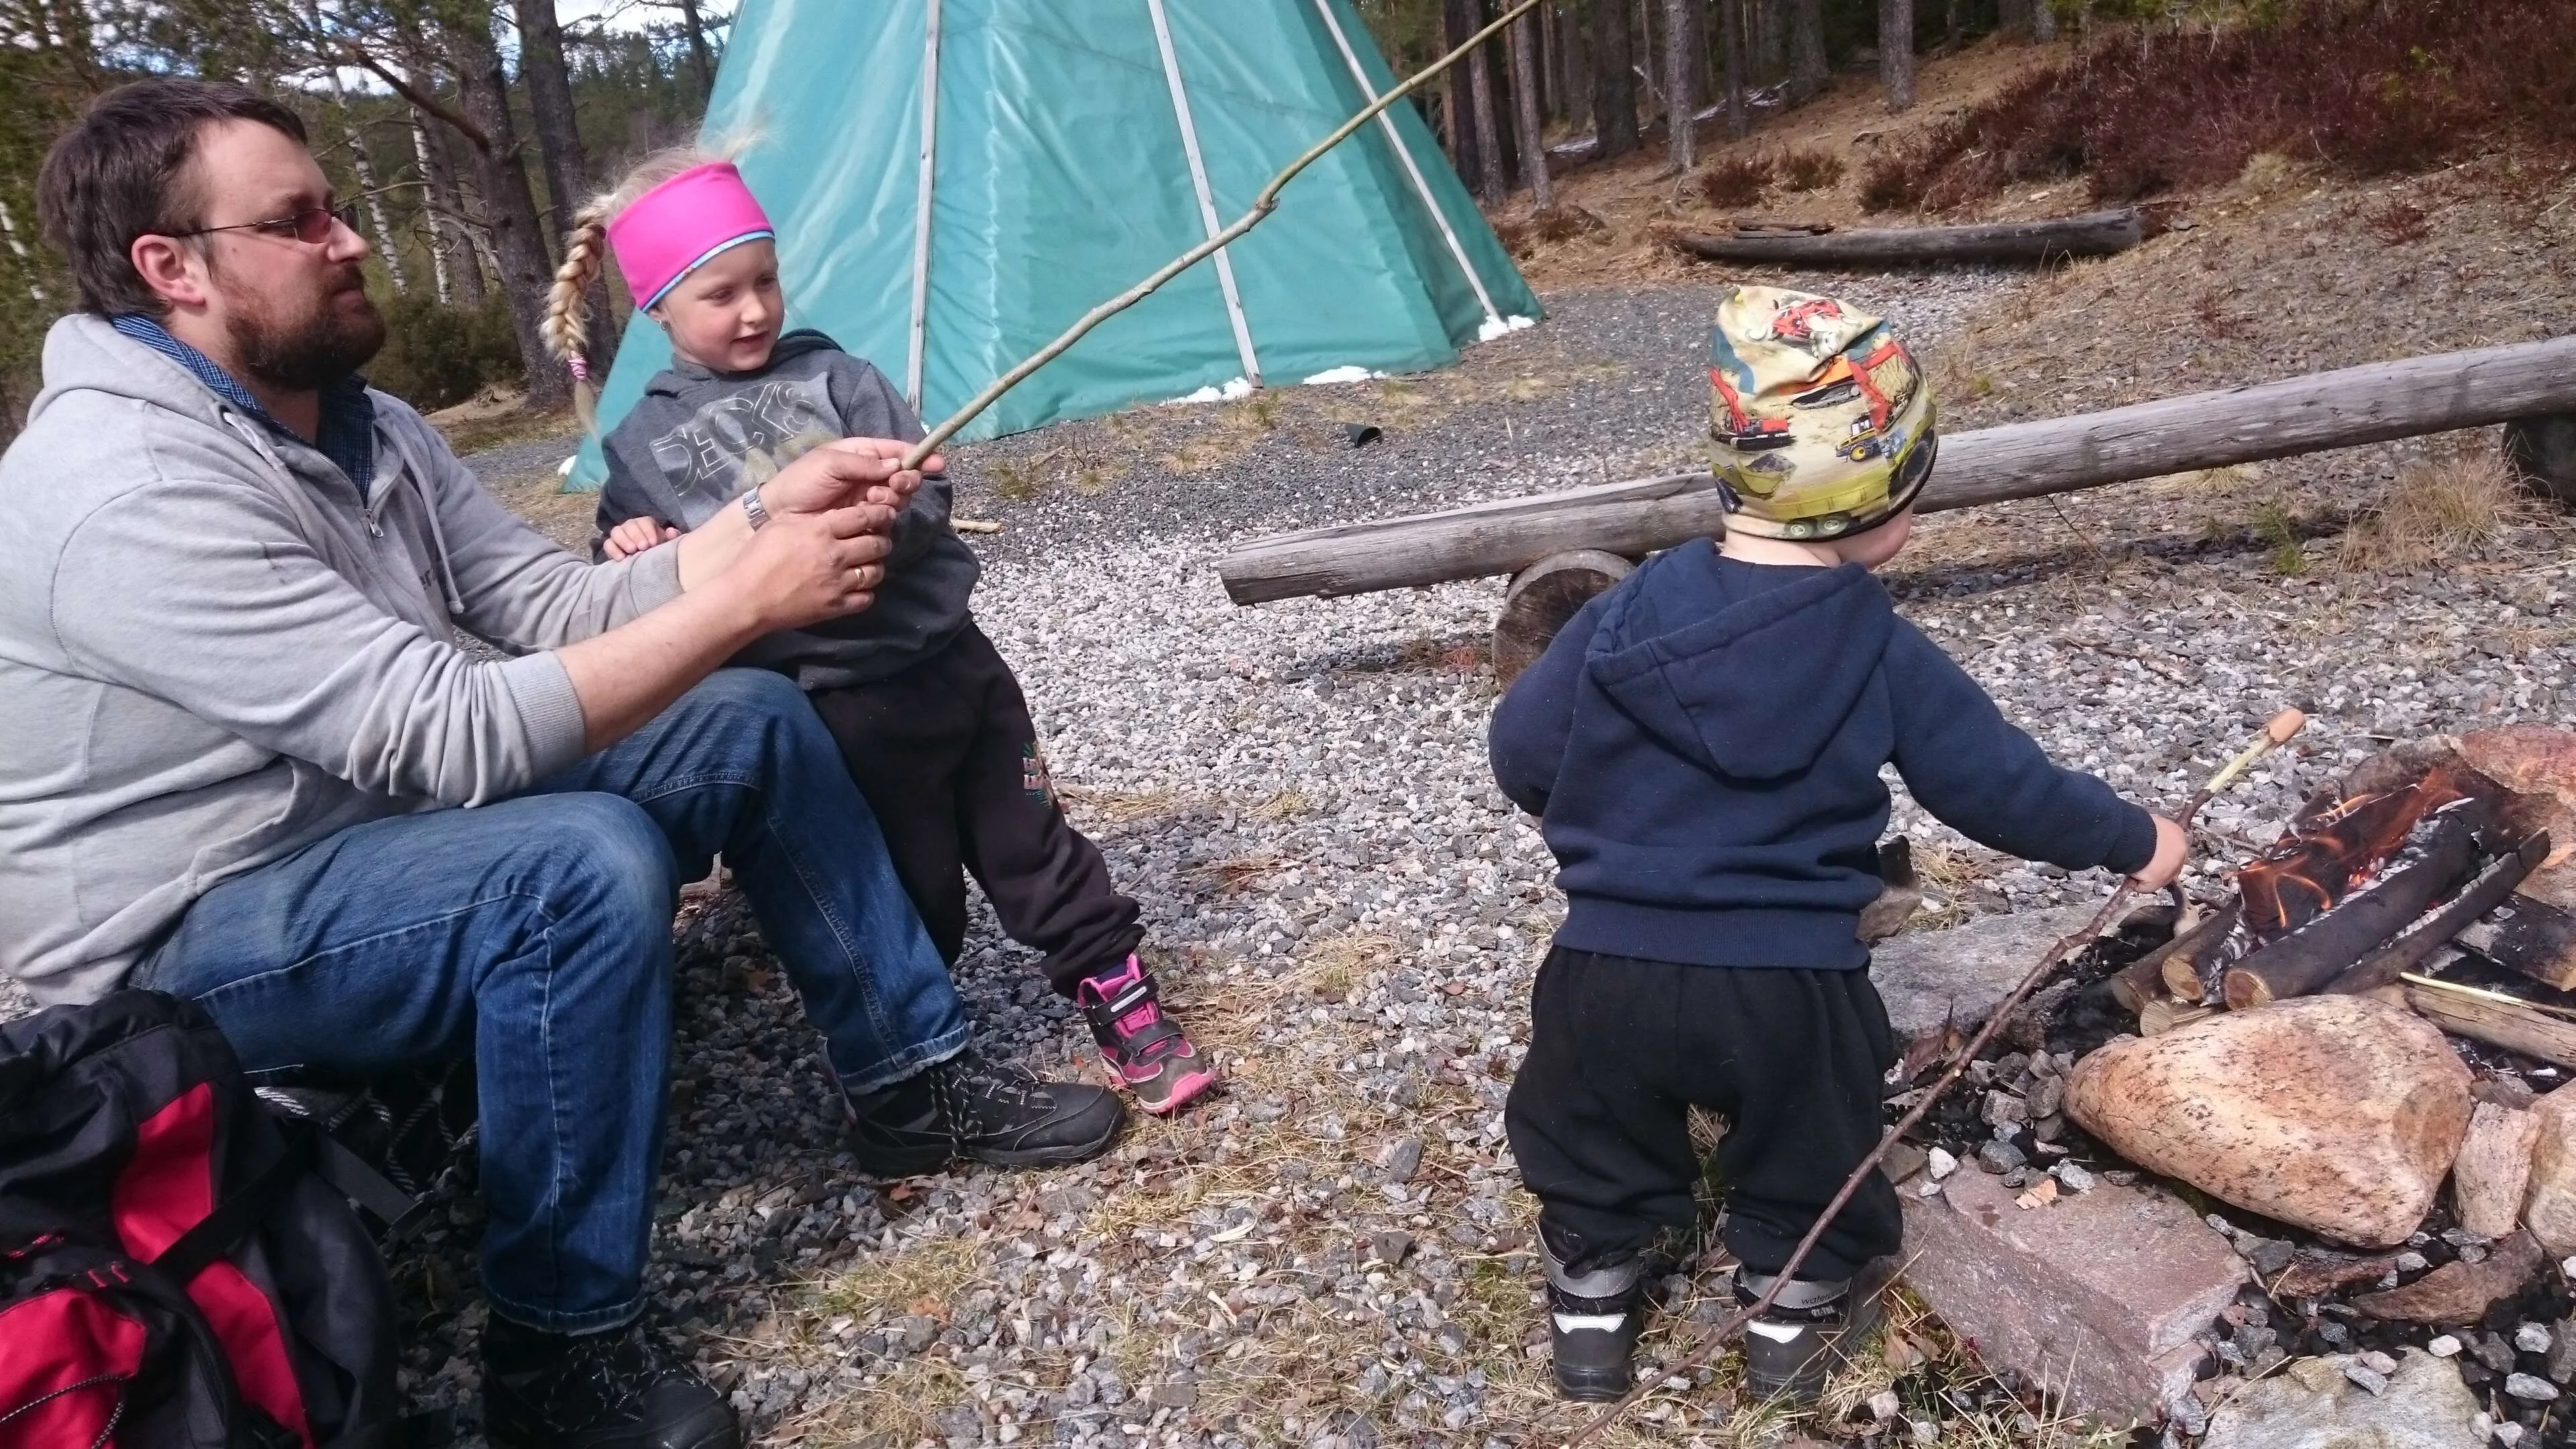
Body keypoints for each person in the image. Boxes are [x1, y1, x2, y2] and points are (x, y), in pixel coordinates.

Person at [0, 80, 1124, 1449]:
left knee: (748, 720)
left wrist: (767, 508)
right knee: (572, 866)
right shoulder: (121, 491)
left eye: (337, 206)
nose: (351, 239)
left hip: (369, 836)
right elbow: (446, 730)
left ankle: (907, 1079)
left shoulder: (358, 424)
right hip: (187, 933)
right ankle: (558, 1351)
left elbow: (550, 611)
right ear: (171, 269)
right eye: (299, 221)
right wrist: (748, 599)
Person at [1487, 286, 2188, 1405]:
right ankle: (1791, 1309)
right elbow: (1996, 787)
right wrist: (2132, 837)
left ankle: (1593, 1300)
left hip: (1602, 967)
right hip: (1786, 987)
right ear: (1882, 500)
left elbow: (1523, 746)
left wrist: (1606, 826)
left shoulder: (1627, 610)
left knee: (1591, 1130)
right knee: (1811, 1138)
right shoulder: (1876, 644)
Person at [541, 149, 1216, 1116]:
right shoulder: (642, 444)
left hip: (951, 661)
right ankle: (924, 1044)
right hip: (837, 703)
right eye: (720, 294)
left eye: (764, 280)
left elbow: (930, 487)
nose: (754, 311)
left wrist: (896, 508)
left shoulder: (838, 378)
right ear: (659, 312)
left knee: (1031, 840)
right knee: (910, 884)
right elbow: (638, 566)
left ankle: (1117, 992)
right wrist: (627, 540)